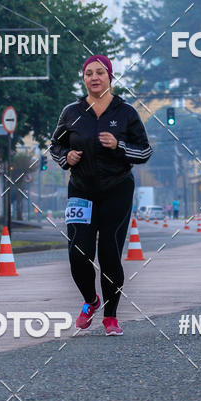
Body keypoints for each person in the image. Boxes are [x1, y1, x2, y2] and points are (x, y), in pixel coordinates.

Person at [50, 54, 152, 336]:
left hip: (116, 190)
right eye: (88, 74)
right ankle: (90, 300)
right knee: (78, 253)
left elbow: (144, 151)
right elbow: (54, 146)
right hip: (81, 190)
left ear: (110, 77)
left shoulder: (126, 112)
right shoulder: (72, 112)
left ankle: (110, 316)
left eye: (100, 73)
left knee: (109, 251)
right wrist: (65, 157)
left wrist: (119, 145)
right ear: (83, 79)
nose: (94, 78)